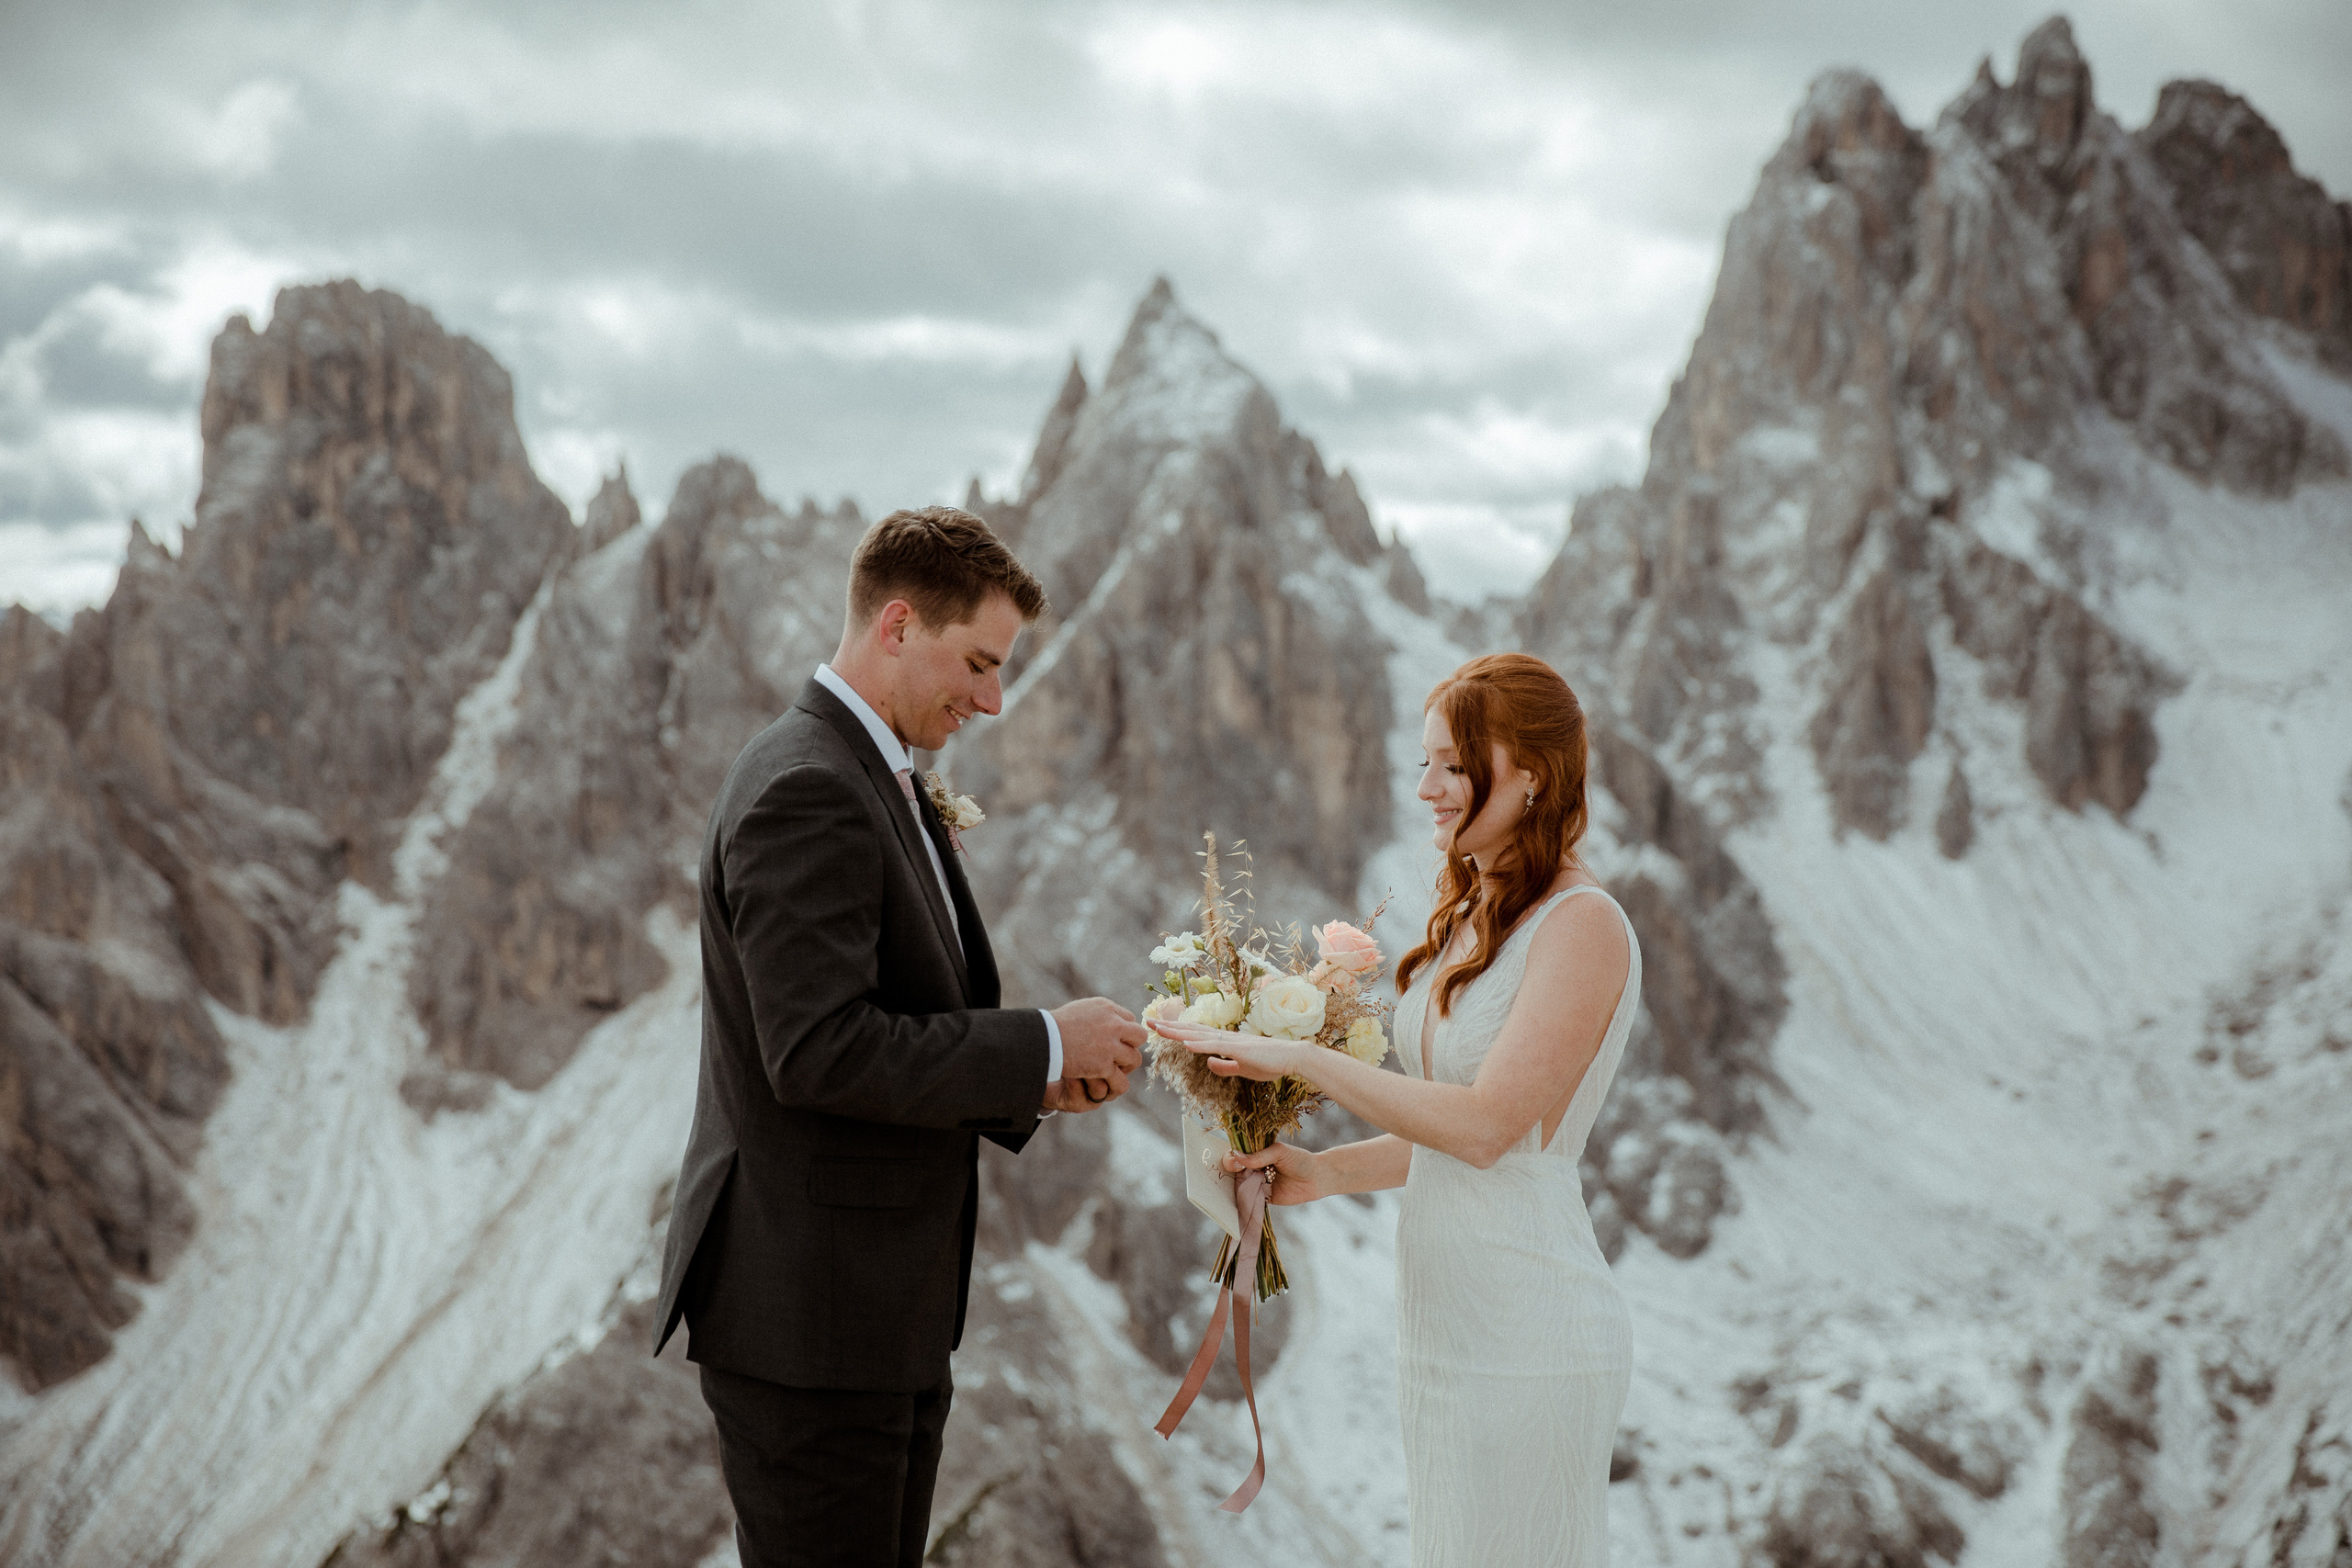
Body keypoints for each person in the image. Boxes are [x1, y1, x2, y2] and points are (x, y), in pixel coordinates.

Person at [653, 505, 1148, 1568]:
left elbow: (890, 1018)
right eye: (977, 662)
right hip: (812, 1327)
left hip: (869, 1315)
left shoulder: (865, 773)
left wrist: (1037, 1083)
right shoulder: (805, 788)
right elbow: (818, 1050)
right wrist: (1042, 1049)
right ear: (896, 624)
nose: (992, 698)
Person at [1154, 652, 1639, 1567]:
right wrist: (1326, 1172)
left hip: (1528, 1324)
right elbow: (1448, 1129)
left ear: (1531, 774)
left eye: (1453, 766)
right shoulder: (1473, 916)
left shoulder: (1584, 925)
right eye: (1423, 764)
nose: (1427, 790)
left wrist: (1299, 1056)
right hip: (1446, 1324)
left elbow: (1491, 1129)